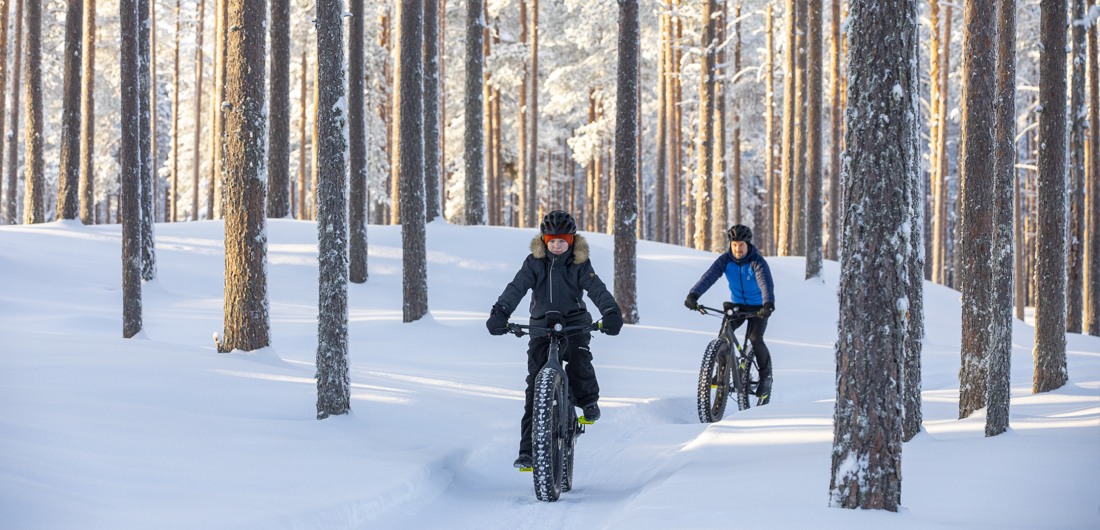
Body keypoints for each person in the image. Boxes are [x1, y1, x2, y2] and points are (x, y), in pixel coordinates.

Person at [485, 210, 623, 469]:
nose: (557, 246)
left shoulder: (580, 264)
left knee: (580, 360)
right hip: (541, 328)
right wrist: (500, 312)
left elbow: (597, 290)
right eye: (552, 241)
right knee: (535, 390)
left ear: (571, 241)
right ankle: (528, 451)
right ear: (544, 240)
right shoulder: (533, 263)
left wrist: (611, 312)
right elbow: (516, 288)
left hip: (575, 325)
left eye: (562, 241)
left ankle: (588, 402)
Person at [684, 224, 776, 404]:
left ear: (747, 244)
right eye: (734, 245)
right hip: (738, 305)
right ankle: (721, 372)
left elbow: (765, 283)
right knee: (724, 333)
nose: (737, 249)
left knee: (755, 338)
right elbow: (708, 277)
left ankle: (766, 377)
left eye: (741, 245)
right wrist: (693, 295)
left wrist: (768, 304)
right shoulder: (725, 260)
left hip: (758, 307)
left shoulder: (756, 261)